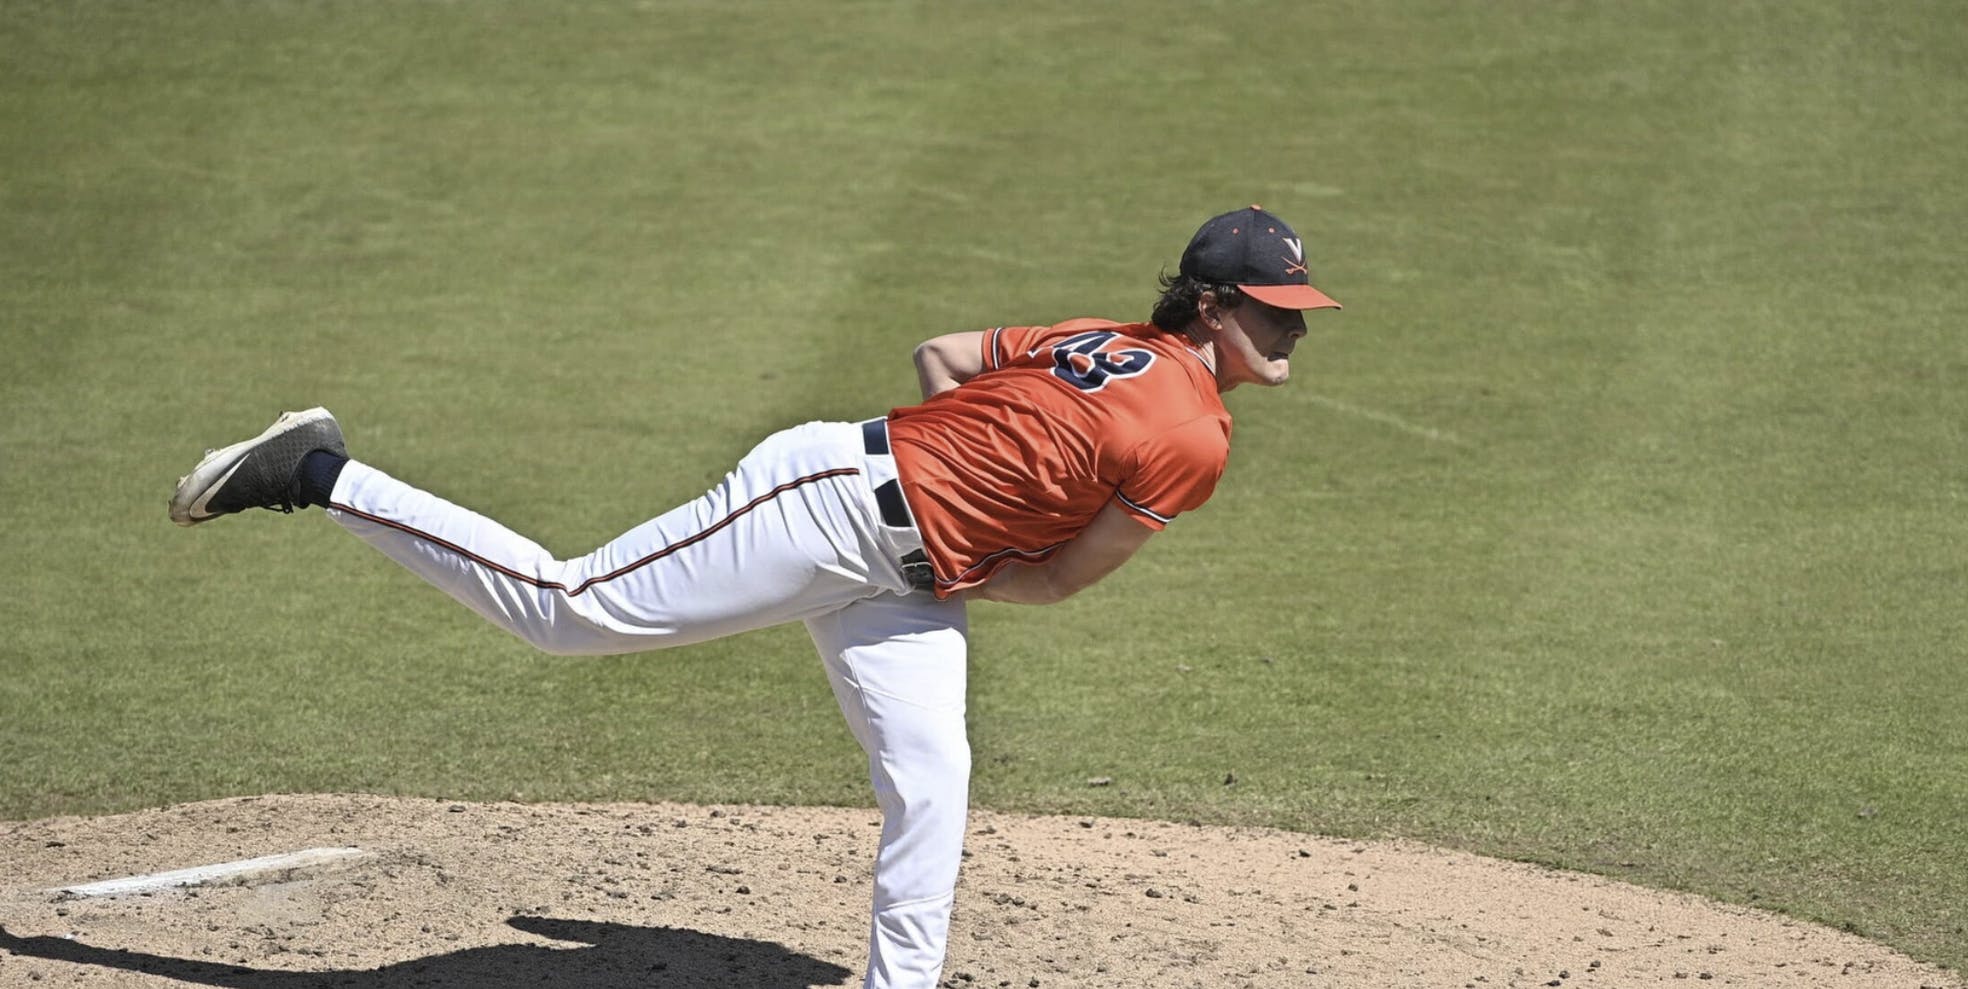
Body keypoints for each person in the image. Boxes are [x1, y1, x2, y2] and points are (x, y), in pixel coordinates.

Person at [167, 205, 1341, 989]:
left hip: (896, 557)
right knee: (566, 609)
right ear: (1211, 305)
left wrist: (955, 504)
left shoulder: (1103, 339)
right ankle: (319, 470)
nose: (1291, 326)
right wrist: (957, 512)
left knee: (933, 777)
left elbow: (942, 355)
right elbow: (1061, 577)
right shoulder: (1192, 431)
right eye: (1274, 308)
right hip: (829, 506)